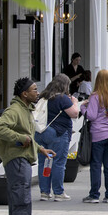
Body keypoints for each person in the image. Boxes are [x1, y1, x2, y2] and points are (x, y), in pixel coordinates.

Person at [0, 77, 56, 215]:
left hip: (22, 159)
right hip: (17, 160)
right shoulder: (14, 110)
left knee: (19, 201)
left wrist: (40, 149)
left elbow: (28, 136)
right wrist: (20, 138)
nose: (37, 92)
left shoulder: (25, 109)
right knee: (22, 201)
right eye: (34, 90)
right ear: (24, 94)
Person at [33, 73, 79, 201]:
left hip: (40, 132)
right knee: (58, 162)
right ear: (65, 85)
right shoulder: (62, 98)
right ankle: (58, 192)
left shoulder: (43, 96)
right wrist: (74, 102)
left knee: (44, 162)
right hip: (57, 133)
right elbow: (74, 114)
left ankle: (44, 192)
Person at [80, 69, 108, 204]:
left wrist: (82, 107)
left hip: (98, 134)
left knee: (96, 165)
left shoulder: (96, 96)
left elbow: (91, 116)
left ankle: (94, 195)